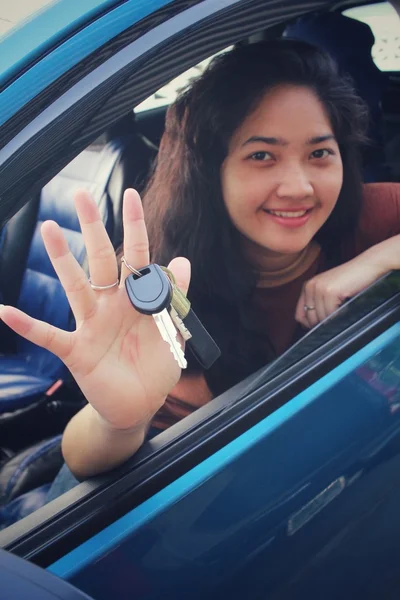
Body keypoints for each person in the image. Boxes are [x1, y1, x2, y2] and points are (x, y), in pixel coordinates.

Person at [1, 39, 400, 502]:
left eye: (319, 154)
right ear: (211, 171)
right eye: (262, 156)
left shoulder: (372, 217)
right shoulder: (167, 284)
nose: (299, 186)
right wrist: (118, 420)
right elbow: (86, 459)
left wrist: (378, 259)